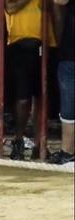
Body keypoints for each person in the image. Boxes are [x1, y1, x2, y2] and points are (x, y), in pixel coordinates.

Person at [5, 0, 57, 160]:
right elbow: (10, 7)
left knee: (42, 97)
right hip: (20, 43)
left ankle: (40, 144)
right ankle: (18, 141)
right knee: (23, 97)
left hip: (47, 43)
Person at [51, 0, 74, 165]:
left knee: (68, 107)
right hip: (69, 53)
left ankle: (67, 152)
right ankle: (67, 152)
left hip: (70, 55)